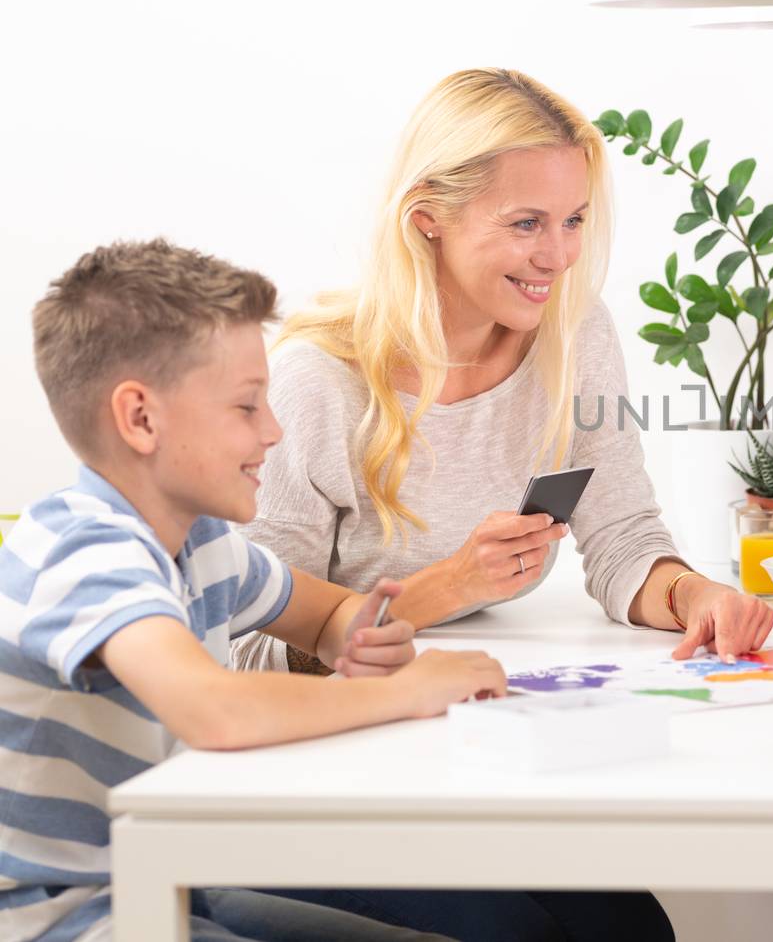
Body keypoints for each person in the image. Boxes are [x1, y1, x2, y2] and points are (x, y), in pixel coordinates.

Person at [0, 239, 504, 942]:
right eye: (246, 406)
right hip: (70, 920)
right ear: (140, 418)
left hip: (173, 883)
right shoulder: (84, 548)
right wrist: (408, 689)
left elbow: (325, 612)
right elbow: (215, 710)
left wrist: (358, 630)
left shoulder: (201, 540)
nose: (273, 431)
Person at [231, 67, 773, 678]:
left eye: (573, 220)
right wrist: (446, 589)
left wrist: (696, 597)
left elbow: (623, 535)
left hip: (486, 695)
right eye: (525, 223)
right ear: (427, 214)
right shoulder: (317, 384)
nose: (560, 256)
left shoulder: (572, 332)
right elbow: (251, 650)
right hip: (341, 727)